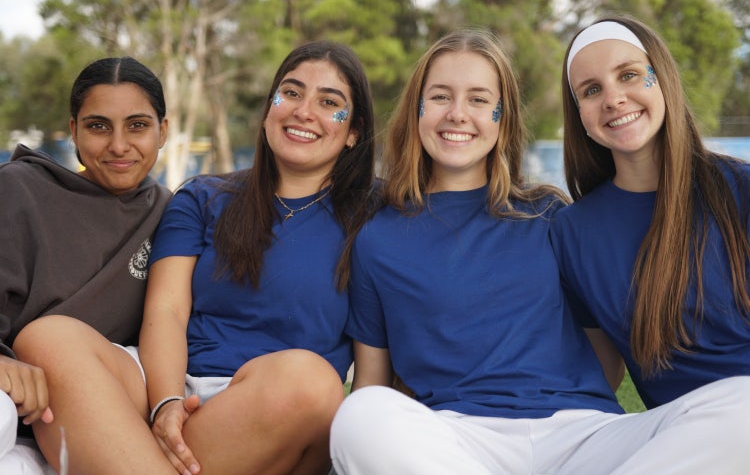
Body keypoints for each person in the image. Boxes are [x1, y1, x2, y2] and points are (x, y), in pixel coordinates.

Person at [330, 27, 750, 475]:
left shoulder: (551, 216)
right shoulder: (377, 239)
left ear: (501, 116)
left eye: (478, 99)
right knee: (362, 415)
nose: (457, 113)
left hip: (585, 436)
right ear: (416, 109)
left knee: (742, 401)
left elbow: (605, 362)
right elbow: (374, 386)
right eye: (439, 97)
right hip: (459, 441)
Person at [17, 40, 375, 474]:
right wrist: (166, 402)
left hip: (274, 407)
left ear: (354, 130)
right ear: (269, 109)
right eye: (292, 93)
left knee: (312, 382)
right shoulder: (204, 196)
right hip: (169, 384)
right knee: (47, 338)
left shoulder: (377, 215)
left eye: (329, 102)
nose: (303, 111)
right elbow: (167, 310)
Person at [551, 15, 750, 417]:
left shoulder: (740, 189)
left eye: (628, 75)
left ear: (662, 79)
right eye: (591, 90)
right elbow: (600, 371)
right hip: (677, 431)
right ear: (580, 117)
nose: (613, 98)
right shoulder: (573, 233)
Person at [0, 57, 171, 472]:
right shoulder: (19, 191)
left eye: (137, 125)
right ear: (74, 130)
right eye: (98, 126)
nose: (118, 145)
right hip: (18, 412)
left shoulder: (171, 212)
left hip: (107, 426)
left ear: (163, 131)